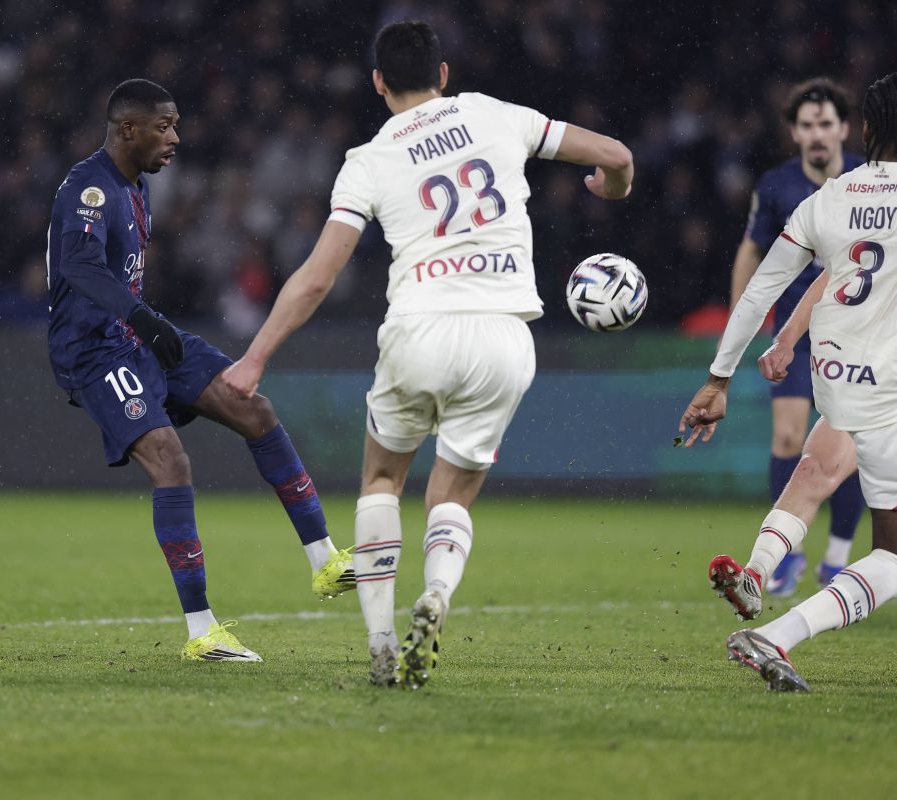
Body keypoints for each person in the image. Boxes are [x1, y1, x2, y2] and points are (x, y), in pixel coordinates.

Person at [223, 21, 634, 688]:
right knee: (453, 494)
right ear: (444, 74)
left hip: (420, 328)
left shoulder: (369, 159)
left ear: (378, 83)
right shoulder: (494, 114)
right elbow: (615, 154)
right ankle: (437, 591)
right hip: (504, 334)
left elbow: (318, 277)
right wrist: (612, 188)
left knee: (382, 480)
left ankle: (382, 641)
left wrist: (255, 357)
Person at [46, 79, 355, 663]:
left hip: (134, 333)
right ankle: (202, 633)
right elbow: (79, 268)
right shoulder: (90, 188)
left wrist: (143, 322)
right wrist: (143, 318)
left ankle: (325, 561)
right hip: (92, 350)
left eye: (177, 125)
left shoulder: (135, 185)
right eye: (164, 127)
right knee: (170, 459)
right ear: (128, 129)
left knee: (251, 406)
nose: (176, 138)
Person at [679, 72, 897, 691]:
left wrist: (719, 378)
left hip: (841, 377)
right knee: (891, 556)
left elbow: (761, 290)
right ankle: (777, 635)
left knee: (816, 470)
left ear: (864, 129)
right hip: (889, 388)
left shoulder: (829, 198)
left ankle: (758, 572)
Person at [727, 79, 866, 596]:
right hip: (795, 331)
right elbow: (751, 249)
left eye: (826, 123)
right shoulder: (776, 187)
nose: (817, 134)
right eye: (807, 125)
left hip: (853, 333)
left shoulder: (867, 181)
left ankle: (837, 558)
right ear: (794, 132)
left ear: (844, 128)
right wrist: (741, 321)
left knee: (848, 445)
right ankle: (787, 557)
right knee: (788, 438)